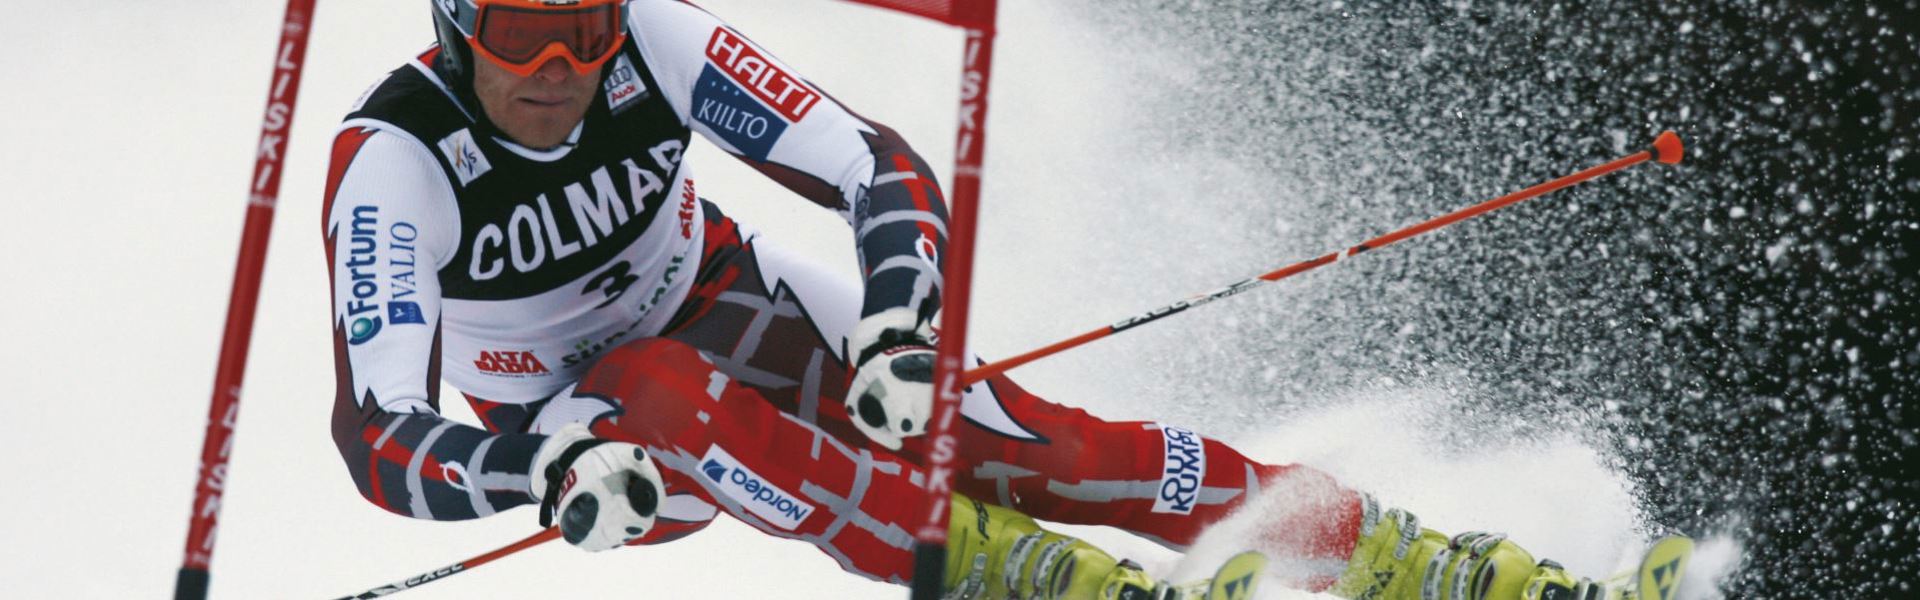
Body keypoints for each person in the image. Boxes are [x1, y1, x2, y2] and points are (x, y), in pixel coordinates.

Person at [323, 1, 1597, 598]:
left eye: (584, 28)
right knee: (654, 388)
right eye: (519, 34)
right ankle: (1021, 581)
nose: (559, 66)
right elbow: (378, 437)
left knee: (1035, 451)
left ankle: (1410, 562)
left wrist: (897, 321)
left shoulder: (653, 39)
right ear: (456, 23)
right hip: (593, 438)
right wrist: (539, 474)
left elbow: (870, 164)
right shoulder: (394, 162)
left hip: (736, 300)